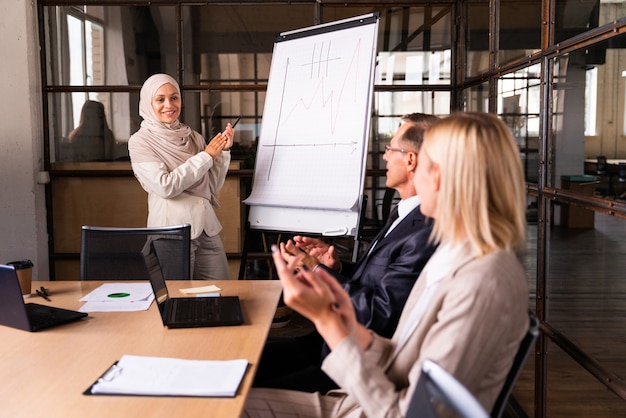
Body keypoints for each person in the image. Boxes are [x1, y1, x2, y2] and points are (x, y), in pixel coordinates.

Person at [244, 111, 529, 417]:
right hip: (364, 395)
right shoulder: (455, 256)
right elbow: (403, 355)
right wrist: (338, 313)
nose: (416, 175)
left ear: (440, 175)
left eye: (424, 162)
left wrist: (328, 320)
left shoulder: (483, 282)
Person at [254, 114, 439, 393]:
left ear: (411, 160)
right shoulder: (403, 215)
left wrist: (317, 271)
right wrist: (335, 269)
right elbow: (380, 280)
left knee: (245, 390)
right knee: (245, 360)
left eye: (390, 149)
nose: (385, 157)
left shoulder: (424, 230)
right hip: (326, 344)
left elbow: (380, 314)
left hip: (353, 364)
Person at [128, 73, 234, 280]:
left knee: (221, 295)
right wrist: (206, 156)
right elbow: (165, 187)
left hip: (206, 228)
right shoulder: (140, 141)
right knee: (178, 298)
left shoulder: (193, 136)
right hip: (172, 232)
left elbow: (210, 186)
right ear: (148, 102)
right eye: (160, 99)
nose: (169, 104)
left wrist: (221, 153)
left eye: (174, 97)